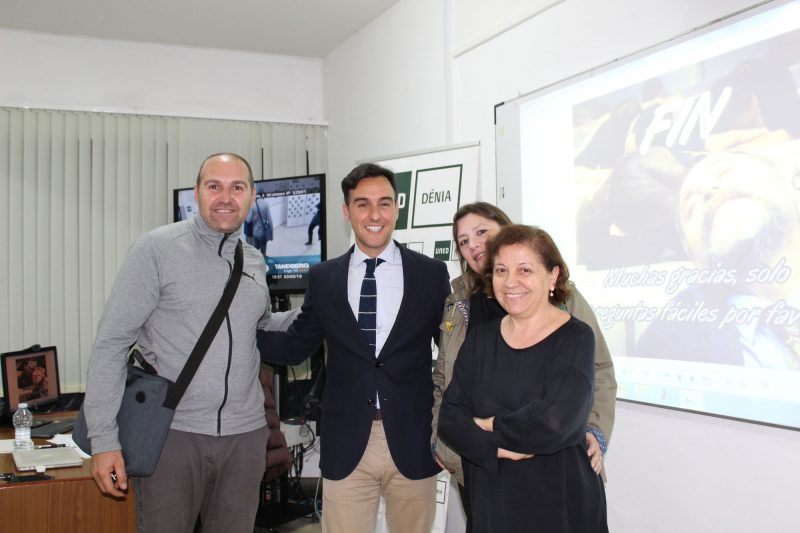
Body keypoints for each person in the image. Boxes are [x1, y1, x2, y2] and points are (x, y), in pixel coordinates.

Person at [83, 153, 295, 533]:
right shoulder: (156, 249)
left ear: (252, 196)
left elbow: (260, 327)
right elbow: (111, 343)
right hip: (172, 435)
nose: (225, 197)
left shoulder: (254, 260)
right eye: (214, 186)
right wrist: (103, 441)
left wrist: (320, 309)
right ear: (197, 193)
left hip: (245, 437)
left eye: (237, 187)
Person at [257, 163, 450, 533]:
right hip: (347, 443)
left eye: (384, 203)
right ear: (346, 211)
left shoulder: (430, 274)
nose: (374, 214)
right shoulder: (324, 278)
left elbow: (453, 351)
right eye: (363, 204)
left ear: (397, 208)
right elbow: (296, 345)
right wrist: (239, 332)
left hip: (413, 440)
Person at [431, 202, 616, 529]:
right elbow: (447, 400)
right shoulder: (462, 309)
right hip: (486, 480)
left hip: (556, 484)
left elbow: (559, 416)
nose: (475, 245)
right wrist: (460, 443)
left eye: (482, 232)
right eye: (463, 241)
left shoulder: (572, 326)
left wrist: (488, 426)